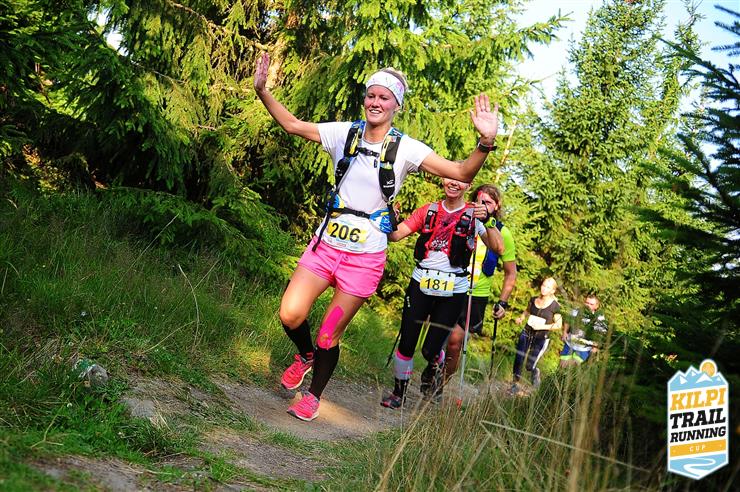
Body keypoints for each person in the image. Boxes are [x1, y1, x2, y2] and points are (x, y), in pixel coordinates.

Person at [253, 52, 500, 421]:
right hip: (326, 245)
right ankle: (305, 356)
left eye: (384, 97)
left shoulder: (407, 149)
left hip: (364, 257)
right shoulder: (344, 132)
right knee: (290, 313)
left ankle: (313, 397)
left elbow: (462, 172)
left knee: (328, 334)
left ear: (396, 105)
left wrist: (485, 142)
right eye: (371, 95)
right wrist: (262, 90)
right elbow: (292, 125)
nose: (375, 102)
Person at [379, 179, 504, 409]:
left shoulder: (474, 214)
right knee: (407, 342)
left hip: (454, 289)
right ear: (443, 180)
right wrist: (391, 219)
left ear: (468, 186)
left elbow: (498, 248)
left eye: (460, 181)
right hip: (421, 282)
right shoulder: (429, 210)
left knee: (430, 350)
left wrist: (489, 221)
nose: (453, 184)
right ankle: (399, 393)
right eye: (449, 178)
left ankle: (435, 363)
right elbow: (396, 236)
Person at [443, 184, 517, 390]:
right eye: (479, 201)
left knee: (455, 342)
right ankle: (432, 371)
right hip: (450, 285)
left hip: (475, 295)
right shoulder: (463, 219)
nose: (482, 205)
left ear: (497, 206)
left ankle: (439, 385)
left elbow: (511, 272)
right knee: (437, 337)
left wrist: (503, 302)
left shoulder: (503, 233)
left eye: (488, 203)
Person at [510, 277, 562, 393]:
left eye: (548, 287)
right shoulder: (533, 300)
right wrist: (521, 318)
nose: (544, 289)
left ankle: (535, 372)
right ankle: (515, 384)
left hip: (541, 337)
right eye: (543, 285)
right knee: (519, 358)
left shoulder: (555, 306)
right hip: (527, 332)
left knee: (529, 365)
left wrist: (542, 327)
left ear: (553, 291)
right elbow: (527, 311)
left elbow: (558, 325)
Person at [559, 294, 608, 367]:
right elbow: (568, 320)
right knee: (562, 366)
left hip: (584, 348)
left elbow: (600, 332)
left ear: (596, 306)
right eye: (587, 303)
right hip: (569, 344)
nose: (588, 305)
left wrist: (595, 346)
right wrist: (565, 332)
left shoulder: (598, 317)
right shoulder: (576, 311)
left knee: (573, 367)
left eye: (591, 304)